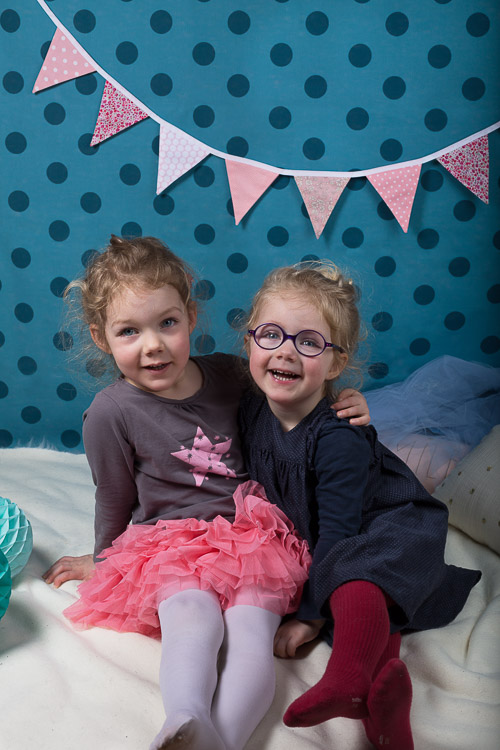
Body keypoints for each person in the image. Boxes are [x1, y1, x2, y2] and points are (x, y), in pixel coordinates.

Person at [43, 236, 369, 750]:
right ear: (101, 338)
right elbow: (113, 493)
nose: (152, 345)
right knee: (191, 623)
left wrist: (345, 399)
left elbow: (293, 386)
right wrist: (105, 557)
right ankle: (186, 717)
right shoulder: (111, 413)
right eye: (129, 331)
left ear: (190, 317)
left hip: (254, 537)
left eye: (166, 323)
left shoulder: (229, 373)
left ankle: (226, 741)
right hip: (170, 541)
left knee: (249, 636)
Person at [239, 260, 481, 750]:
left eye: (309, 342)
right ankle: (383, 714)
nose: (285, 351)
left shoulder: (336, 441)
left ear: (335, 363)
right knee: (367, 621)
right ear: (249, 342)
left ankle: (345, 678)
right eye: (270, 335)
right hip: (343, 536)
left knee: (354, 577)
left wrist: (308, 613)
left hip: (391, 526)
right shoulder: (251, 405)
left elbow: (340, 531)